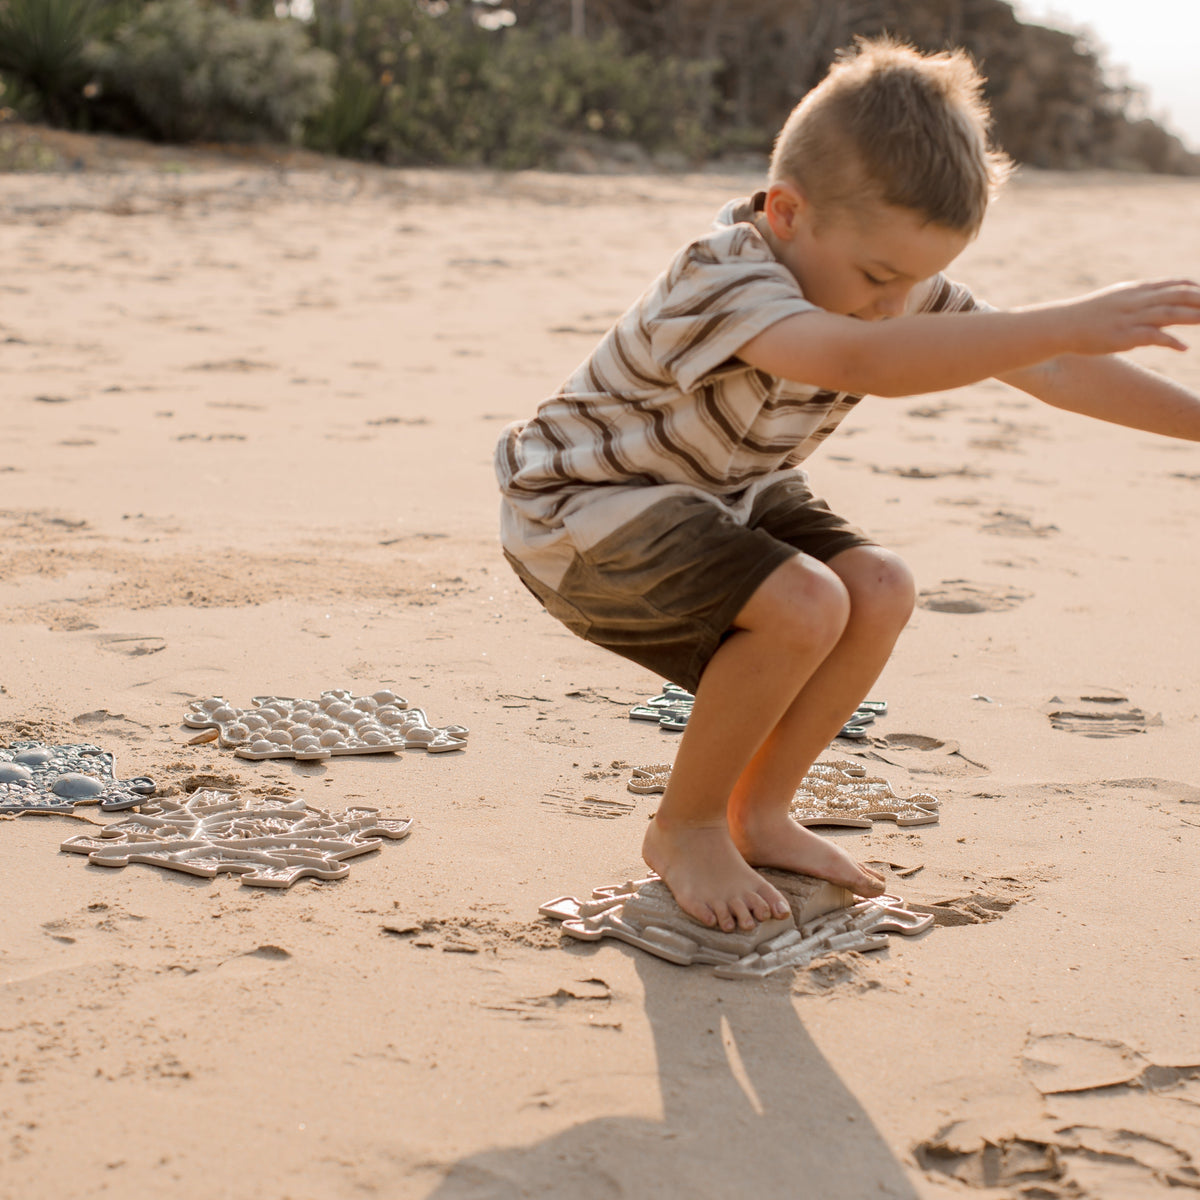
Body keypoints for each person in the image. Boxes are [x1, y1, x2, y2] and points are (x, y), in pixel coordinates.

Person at [494, 38, 1200, 934]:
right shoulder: (723, 274)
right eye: (877, 277)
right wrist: (1066, 313)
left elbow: (1055, 369)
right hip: (576, 513)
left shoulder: (891, 292)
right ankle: (688, 825)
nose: (896, 304)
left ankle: (760, 811)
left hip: (718, 494)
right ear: (786, 212)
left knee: (878, 587)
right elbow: (865, 357)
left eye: (917, 280)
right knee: (804, 602)